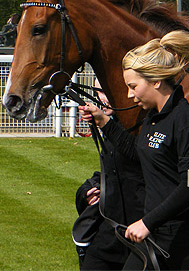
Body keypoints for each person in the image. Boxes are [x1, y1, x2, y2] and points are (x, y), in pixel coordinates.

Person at [80, 31, 189, 270]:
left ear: (155, 80)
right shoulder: (152, 119)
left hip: (188, 247)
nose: (129, 95)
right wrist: (104, 121)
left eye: (133, 86)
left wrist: (146, 222)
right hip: (155, 237)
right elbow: (139, 154)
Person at [73, 79, 145, 270]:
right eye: (98, 91)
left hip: (140, 231)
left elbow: (136, 160)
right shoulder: (111, 124)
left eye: (107, 90)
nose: (103, 98)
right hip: (111, 233)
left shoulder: (142, 125)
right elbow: (114, 170)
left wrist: (104, 122)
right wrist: (87, 190)